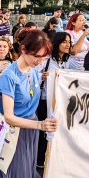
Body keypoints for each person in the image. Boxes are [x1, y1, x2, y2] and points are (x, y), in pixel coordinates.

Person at [0, 29, 57, 178]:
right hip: (18, 131)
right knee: (22, 177)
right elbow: (10, 117)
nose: (40, 61)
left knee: (24, 168)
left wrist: (44, 76)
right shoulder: (8, 77)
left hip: (30, 129)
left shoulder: (33, 70)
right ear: (23, 49)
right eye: (37, 56)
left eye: (43, 57)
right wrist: (40, 125)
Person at [35, 31, 75, 168]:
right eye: (64, 42)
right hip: (44, 99)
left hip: (60, 101)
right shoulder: (46, 59)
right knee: (43, 131)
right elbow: (33, 74)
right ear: (57, 43)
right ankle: (39, 159)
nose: (67, 45)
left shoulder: (70, 60)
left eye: (69, 42)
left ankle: (52, 158)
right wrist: (42, 76)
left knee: (56, 130)